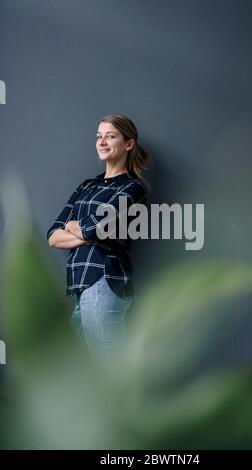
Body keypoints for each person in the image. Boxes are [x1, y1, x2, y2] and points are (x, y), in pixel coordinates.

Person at [46, 114, 150, 361]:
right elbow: (53, 235)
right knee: (73, 367)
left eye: (110, 136)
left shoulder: (133, 187)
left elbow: (93, 228)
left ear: (128, 143)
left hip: (105, 280)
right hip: (81, 286)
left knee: (109, 366)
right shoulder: (86, 186)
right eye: (99, 136)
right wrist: (87, 231)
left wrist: (79, 229)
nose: (102, 141)